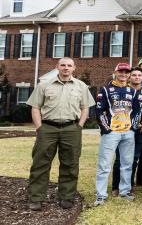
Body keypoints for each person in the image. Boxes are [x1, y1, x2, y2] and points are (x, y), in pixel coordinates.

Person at [26, 57, 95, 211]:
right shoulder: (44, 85)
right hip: (48, 128)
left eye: (69, 65)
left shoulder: (81, 86)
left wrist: (80, 126)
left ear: (74, 68)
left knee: (70, 163)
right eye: (63, 65)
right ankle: (36, 198)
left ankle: (66, 197)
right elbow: (35, 107)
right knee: (40, 164)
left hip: (72, 129)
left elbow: (85, 108)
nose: (66, 68)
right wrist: (39, 128)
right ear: (57, 67)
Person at [93, 63, 141, 206]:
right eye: (121, 72)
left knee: (127, 164)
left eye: (127, 72)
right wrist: (106, 128)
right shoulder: (106, 90)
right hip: (111, 133)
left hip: (127, 133)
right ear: (115, 72)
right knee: (104, 164)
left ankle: (124, 191)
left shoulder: (132, 91)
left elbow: (137, 111)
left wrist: (133, 127)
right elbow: (99, 110)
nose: (124, 75)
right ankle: (101, 195)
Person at [112, 66, 142, 194]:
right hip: (123, 128)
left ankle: (129, 184)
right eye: (134, 75)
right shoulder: (123, 91)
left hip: (139, 130)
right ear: (130, 77)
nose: (137, 77)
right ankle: (116, 186)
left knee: (134, 158)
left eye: (139, 75)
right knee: (120, 158)